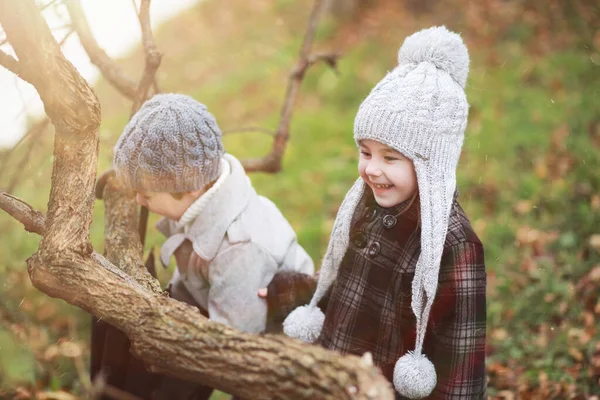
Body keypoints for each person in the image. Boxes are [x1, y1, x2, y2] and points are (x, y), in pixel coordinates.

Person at [283, 26, 487, 399]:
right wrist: (289, 291)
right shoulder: (365, 205)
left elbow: (462, 368)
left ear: (430, 165)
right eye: (365, 152)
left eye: (390, 157)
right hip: (337, 382)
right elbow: (345, 289)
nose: (372, 169)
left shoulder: (455, 246)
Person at [93, 93, 314, 399]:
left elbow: (232, 348)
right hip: (207, 301)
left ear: (189, 188)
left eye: (144, 193)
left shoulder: (238, 250)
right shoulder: (203, 188)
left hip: (259, 340)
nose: (139, 200)